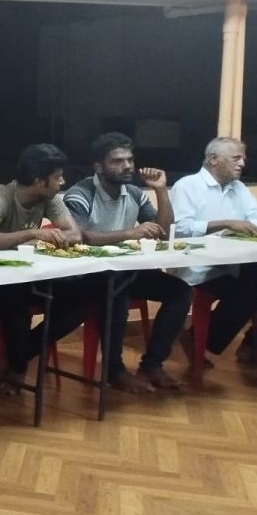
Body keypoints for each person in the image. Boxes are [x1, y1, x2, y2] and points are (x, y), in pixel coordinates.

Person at [63, 133, 191, 391]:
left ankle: (152, 365)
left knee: (180, 291)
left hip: (124, 271)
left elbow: (164, 232)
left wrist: (161, 190)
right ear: (99, 167)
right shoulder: (81, 193)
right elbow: (81, 236)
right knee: (117, 290)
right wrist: (130, 233)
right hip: (88, 275)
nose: (127, 166)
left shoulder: (133, 192)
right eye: (117, 161)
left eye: (130, 160)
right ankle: (114, 370)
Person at [0, 144, 95, 391]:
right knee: (15, 300)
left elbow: (75, 234)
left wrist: (51, 237)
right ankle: (18, 365)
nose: (63, 182)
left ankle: (18, 357)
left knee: (80, 300)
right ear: (39, 181)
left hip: (27, 276)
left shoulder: (49, 199)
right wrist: (31, 234)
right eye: (58, 177)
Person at [170, 137, 257, 368]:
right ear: (213, 159)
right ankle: (198, 338)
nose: (242, 164)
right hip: (200, 266)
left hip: (235, 263)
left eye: (243, 158)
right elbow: (180, 228)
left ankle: (256, 345)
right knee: (246, 292)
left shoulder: (238, 188)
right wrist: (226, 224)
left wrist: (243, 230)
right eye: (236, 158)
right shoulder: (187, 186)